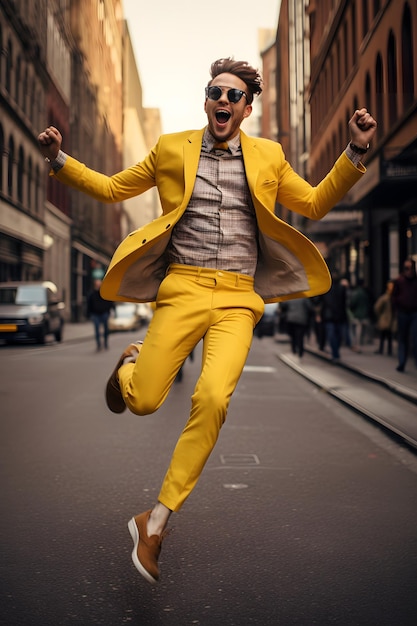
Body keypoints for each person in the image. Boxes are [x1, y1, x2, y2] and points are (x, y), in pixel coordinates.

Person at [37, 57, 377, 584]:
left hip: (239, 298)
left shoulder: (269, 156)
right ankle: (128, 369)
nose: (223, 100)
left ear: (246, 108)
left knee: (213, 398)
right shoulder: (172, 147)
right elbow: (112, 189)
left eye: (234, 96)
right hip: (183, 290)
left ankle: (155, 523)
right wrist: (59, 160)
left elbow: (311, 204)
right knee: (145, 400)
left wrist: (354, 152)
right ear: (206, 99)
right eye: (216, 91)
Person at [391, 258, 417, 372]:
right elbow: (394, 296)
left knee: (415, 338)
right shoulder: (399, 281)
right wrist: (396, 309)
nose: (409, 271)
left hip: (415, 312)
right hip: (403, 312)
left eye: (411, 268)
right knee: (403, 339)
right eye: (407, 268)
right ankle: (402, 362)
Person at [320, 270, 348, 361]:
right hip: (330, 316)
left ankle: (335, 353)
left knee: (338, 336)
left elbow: (344, 303)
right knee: (332, 335)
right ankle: (335, 354)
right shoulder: (326, 289)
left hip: (338, 316)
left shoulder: (341, 288)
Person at [87, 278, 114, 351]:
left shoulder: (105, 293)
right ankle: (98, 344)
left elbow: (110, 302)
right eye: (97, 284)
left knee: (106, 329)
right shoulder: (92, 294)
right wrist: (89, 314)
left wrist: (110, 310)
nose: (98, 285)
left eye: (99, 284)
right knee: (97, 329)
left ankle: (105, 342)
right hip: (95, 314)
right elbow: (89, 304)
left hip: (104, 313)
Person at [373, 280, 395, 356]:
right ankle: (387, 350)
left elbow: (377, 307)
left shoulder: (387, 297)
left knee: (386, 336)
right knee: (386, 336)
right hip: (387, 319)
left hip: (387, 319)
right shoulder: (387, 298)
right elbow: (377, 307)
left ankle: (384, 350)